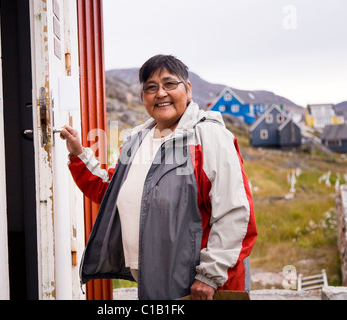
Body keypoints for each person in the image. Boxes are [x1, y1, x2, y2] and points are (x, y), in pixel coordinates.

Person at [60, 55, 257, 300]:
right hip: (152, 276)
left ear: (188, 89)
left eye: (169, 84)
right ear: (143, 97)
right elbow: (110, 191)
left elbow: (236, 212)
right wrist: (80, 154)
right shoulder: (137, 140)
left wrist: (209, 275)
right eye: (151, 87)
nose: (160, 93)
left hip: (202, 286)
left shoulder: (210, 137)